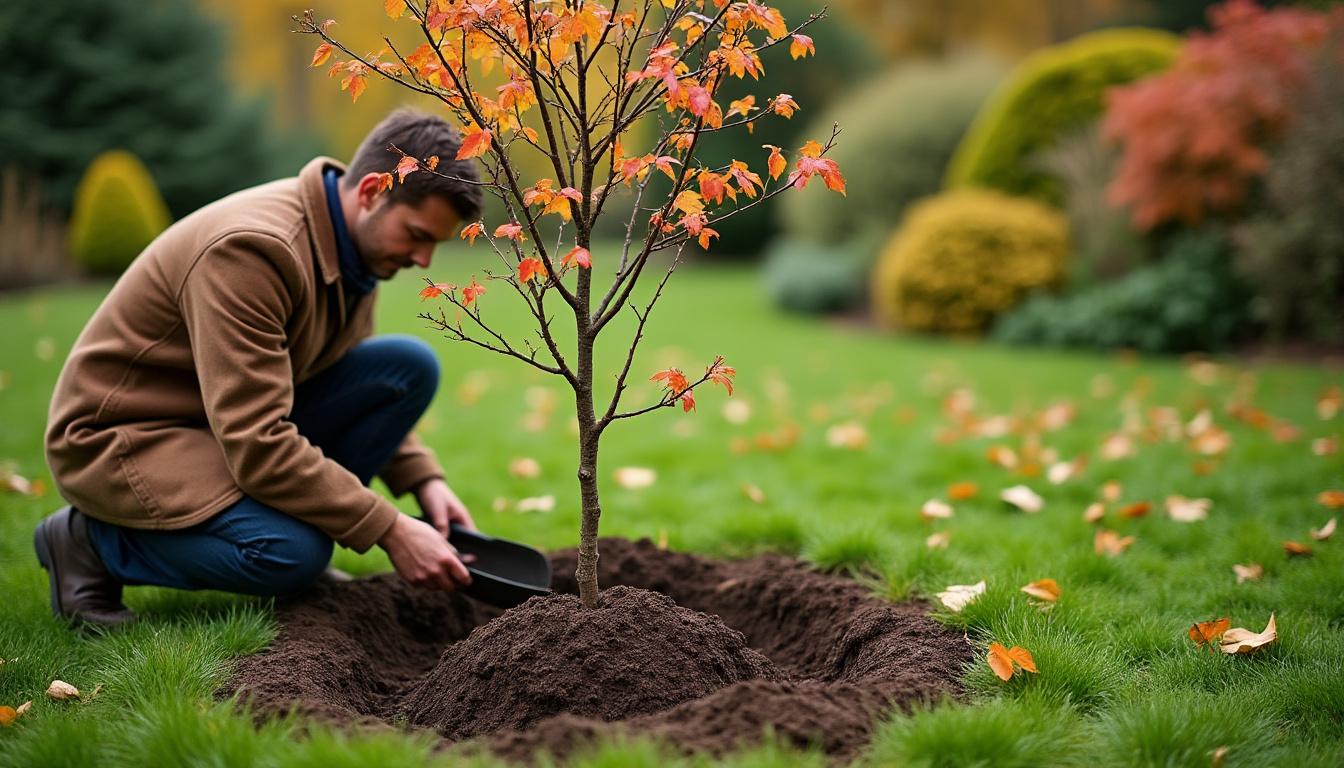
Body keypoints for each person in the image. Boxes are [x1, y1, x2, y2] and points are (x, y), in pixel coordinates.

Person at [39, 109, 485, 628]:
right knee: (290, 554)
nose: (424, 259)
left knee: (406, 368)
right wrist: (389, 528)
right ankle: (89, 541)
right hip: (126, 437)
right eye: (416, 235)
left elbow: (334, 373)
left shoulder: (353, 250)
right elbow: (256, 442)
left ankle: (287, 526)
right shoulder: (252, 251)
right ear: (369, 193)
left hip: (216, 420)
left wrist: (423, 480)